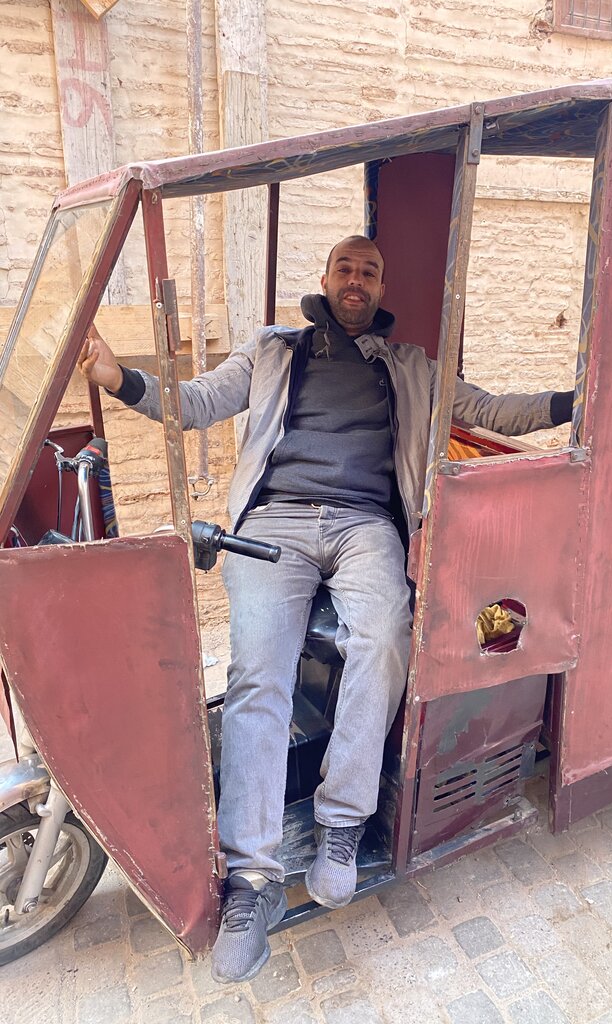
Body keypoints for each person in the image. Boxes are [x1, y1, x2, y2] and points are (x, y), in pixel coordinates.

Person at [79, 235, 573, 983]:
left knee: (386, 638)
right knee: (257, 675)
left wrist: (575, 402)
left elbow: (490, 408)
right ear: (326, 279)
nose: (356, 279)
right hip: (275, 521)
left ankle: (342, 825)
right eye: (346, 267)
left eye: (370, 270)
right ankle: (252, 879)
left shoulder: (410, 367)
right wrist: (118, 378)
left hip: (365, 526)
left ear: (381, 288)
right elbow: (197, 403)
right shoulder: (274, 350)